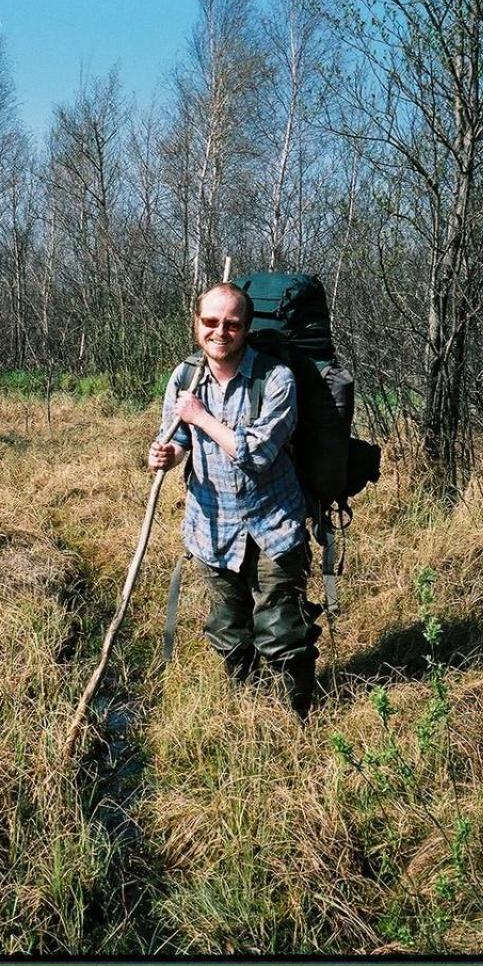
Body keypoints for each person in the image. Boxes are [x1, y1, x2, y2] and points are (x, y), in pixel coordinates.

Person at [148, 282, 321, 717]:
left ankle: (295, 718)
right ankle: (245, 709)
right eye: (210, 322)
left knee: (282, 631)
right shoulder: (185, 377)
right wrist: (169, 454)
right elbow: (182, 436)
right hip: (212, 528)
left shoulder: (275, 379)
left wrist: (201, 417)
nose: (219, 332)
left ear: (246, 328)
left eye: (231, 324)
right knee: (228, 630)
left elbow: (259, 455)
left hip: (273, 524)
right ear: (196, 324)